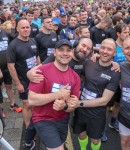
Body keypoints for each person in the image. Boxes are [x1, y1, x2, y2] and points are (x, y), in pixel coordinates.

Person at [28, 39, 80, 150]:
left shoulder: (75, 77)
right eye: (61, 50)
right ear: (54, 52)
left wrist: (65, 106)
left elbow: (71, 106)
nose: (65, 53)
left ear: (72, 53)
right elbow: (32, 99)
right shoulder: (42, 71)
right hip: (43, 119)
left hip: (62, 120)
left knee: (57, 145)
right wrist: (57, 94)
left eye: (68, 50)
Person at [72, 38, 120, 150]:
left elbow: (104, 100)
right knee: (81, 134)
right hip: (81, 110)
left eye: (109, 49)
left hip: (97, 113)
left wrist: (79, 103)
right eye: (103, 48)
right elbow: (80, 78)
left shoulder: (115, 72)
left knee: (95, 139)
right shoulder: (89, 62)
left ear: (114, 52)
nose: (105, 51)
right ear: (99, 49)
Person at [6, 19, 40, 150]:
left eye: (28, 27)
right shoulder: (13, 45)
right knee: (27, 104)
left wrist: (40, 70)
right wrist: (18, 84)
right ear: (18, 29)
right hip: (23, 82)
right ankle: (28, 126)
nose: (26, 29)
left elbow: (37, 58)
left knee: (35, 103)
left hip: (36, 80)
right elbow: (11, 66)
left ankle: (35, 123)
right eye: (23, 28)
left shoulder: (33, 41)